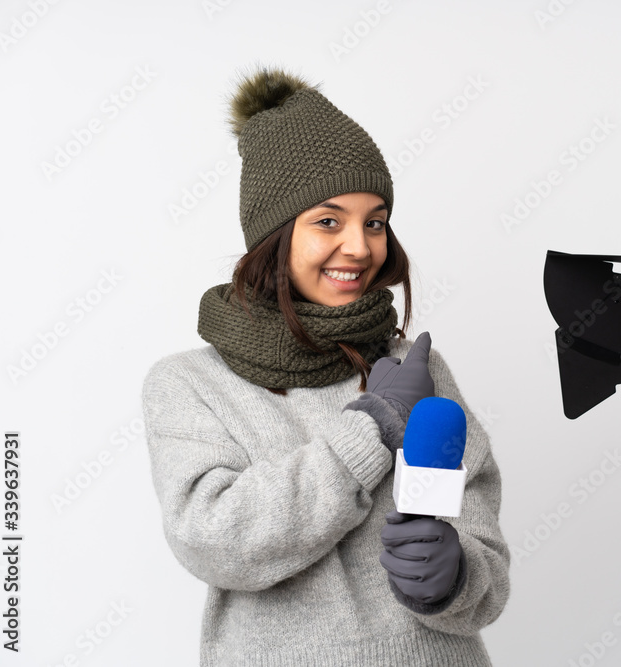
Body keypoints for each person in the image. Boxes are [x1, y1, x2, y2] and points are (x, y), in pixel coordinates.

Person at [141, 66, 510, 666]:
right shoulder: (191, 385)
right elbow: (214, 541)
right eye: (328, 221)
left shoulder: (420, 370)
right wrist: (373, 427)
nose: (361, 247)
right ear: (274, 236)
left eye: (375, 221)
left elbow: (485, 578)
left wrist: (456, 578)